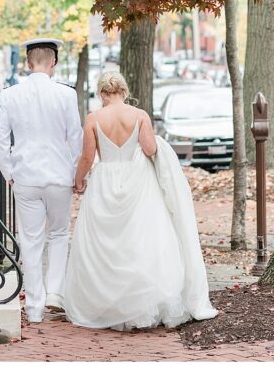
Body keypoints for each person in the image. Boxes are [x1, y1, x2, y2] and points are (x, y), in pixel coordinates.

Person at [64, 72, 218, 330]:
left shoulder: (93, 118)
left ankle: (110, 305)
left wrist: (78, 180)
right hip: (138, 182)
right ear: (124, 91)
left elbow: (88, 156)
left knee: (107, 243)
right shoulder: (140, 116)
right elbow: (149, 149)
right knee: (140, 240)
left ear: (102, 93)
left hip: (105, 182)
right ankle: (143, 303)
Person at [0, 38, 82, 323]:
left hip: (26, 177)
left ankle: (34, 308)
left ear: (28, 63)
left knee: (30, 241)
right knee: (58, 235)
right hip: (59, 176)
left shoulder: (10, 95)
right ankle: (55, 293)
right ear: (53, 63)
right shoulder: (66, 94)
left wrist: (9, 173)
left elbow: (1, 142)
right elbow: (76, 139)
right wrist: (75, 173)